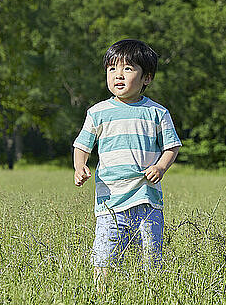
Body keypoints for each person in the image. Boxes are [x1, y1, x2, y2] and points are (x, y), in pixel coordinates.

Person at [73, 39, 182, 285]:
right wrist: (80, 166)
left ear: (147, 78)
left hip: (147, 200)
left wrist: (160, 166)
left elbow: (172, 146)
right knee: (104, 260)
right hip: (109, 202)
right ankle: (104, 295)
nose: (118, 75)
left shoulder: (157, 113)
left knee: (151, 260)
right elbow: (82, 146)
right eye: (112, 69)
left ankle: (149, 292)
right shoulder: (97, 112)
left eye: (128, 69)